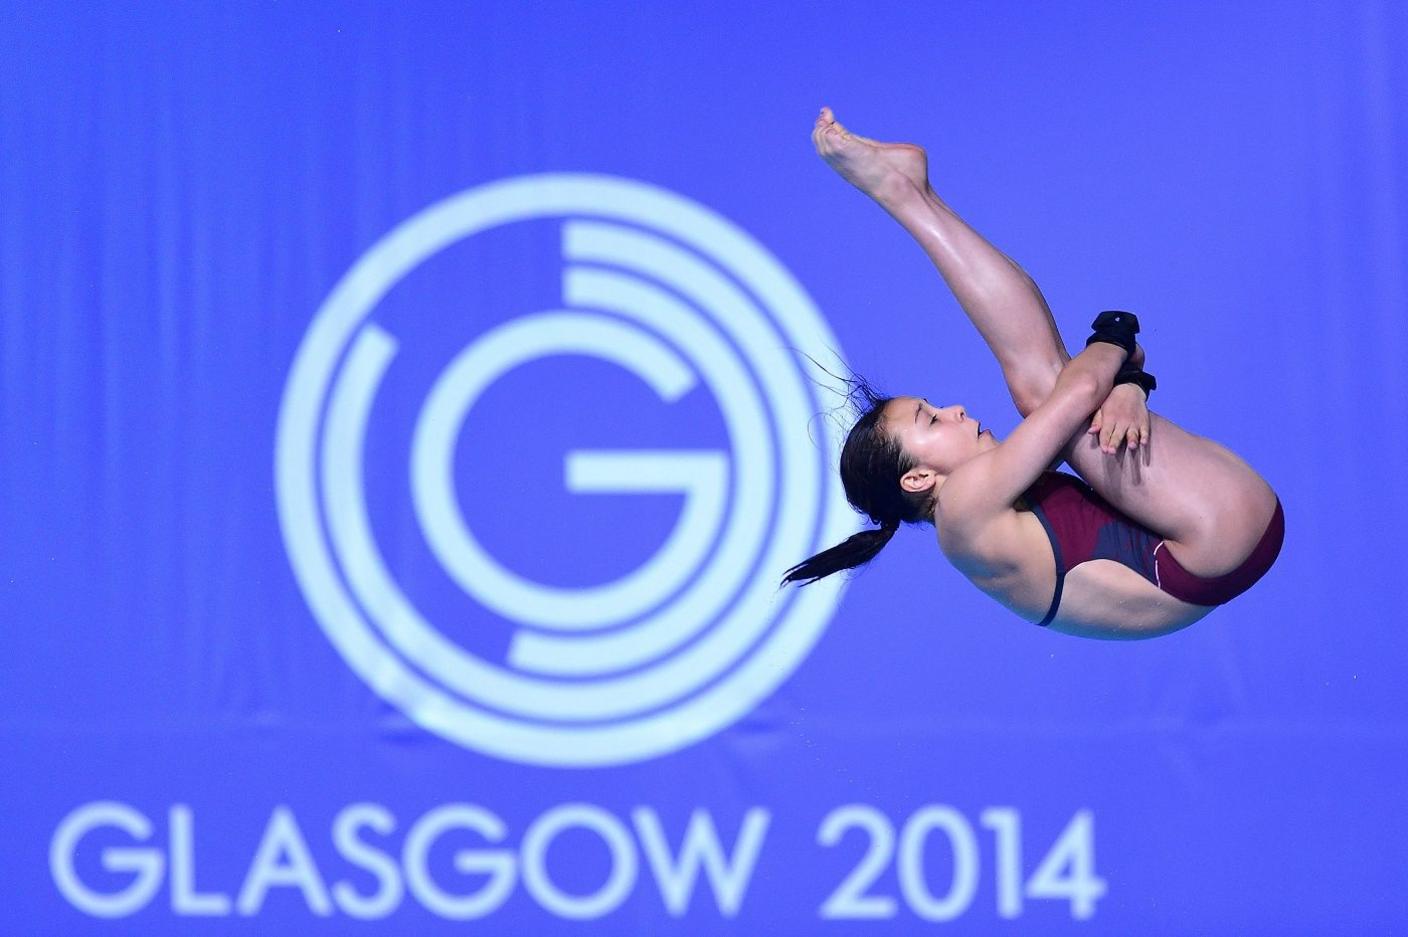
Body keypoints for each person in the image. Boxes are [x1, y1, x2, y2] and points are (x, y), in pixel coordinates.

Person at [782, 108, 1283, 639]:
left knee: (1048, 392)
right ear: (918, 479)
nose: (953, 410)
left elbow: (1101, 382)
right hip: (1218, 538)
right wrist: (1114, 335)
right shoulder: (963, 513)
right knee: (1042, 390)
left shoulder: (974, 517)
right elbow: (1082, 387)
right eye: (931, 421)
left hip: (1219, 541)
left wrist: (1128, 385)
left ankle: (908, 193)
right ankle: (905, 194)